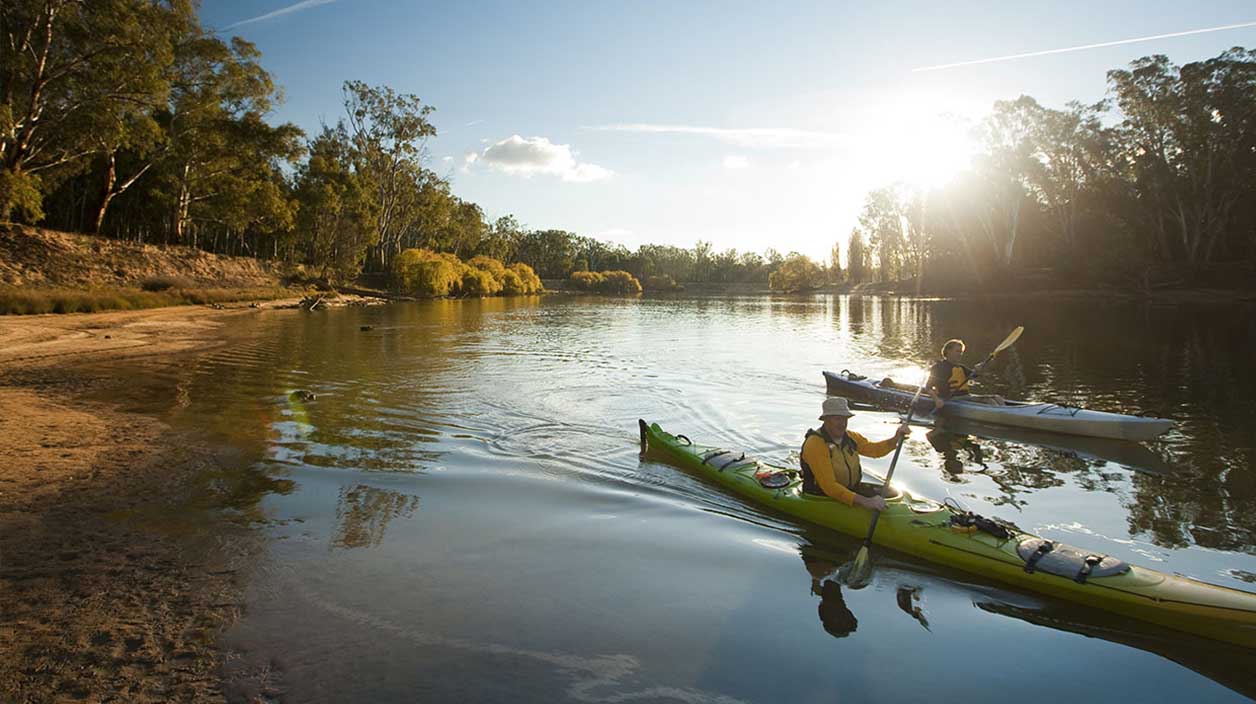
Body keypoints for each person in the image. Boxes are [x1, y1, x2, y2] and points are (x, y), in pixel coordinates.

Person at [800, 396, 909, 511]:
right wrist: (866, 502)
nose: (842, 424)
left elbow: (874, 450)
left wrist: (895, 438)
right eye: (838, 419)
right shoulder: (815, 444)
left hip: (850, 490)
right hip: (821, 496)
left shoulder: (851, 437)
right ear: (826, 419)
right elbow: (829, 486)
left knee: (890, 492)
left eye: (845, 419)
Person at [927, 339, 1003, 411]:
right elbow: (928, 387)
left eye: (961, 352)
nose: (960, 354)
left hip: (966, 397)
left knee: (998, 398)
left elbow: (975, 374)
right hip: (952, 399)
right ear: (948, 351)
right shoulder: (938, 367)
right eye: (957, 351)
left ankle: (1004, 413)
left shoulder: (961, 367)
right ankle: (1001, 415)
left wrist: (978, 369)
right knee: (989, 400)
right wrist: (937, 400)